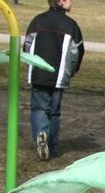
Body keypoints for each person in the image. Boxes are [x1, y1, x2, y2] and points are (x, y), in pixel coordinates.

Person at [24, 0, 84, 161]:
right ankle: (52, 146)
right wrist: (71, 71)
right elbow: (76, 53)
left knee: (39, 109)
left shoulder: (38, 20)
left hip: (38, 73)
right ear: (60, 1)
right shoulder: (72, 25)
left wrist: (31, 64)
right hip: (59, 76)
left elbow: (27, 45)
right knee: (54, 112)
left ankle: (40, 134)